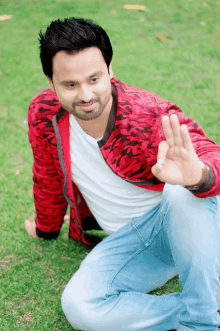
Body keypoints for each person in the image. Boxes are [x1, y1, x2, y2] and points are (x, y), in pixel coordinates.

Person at [25, 17, 220, 331]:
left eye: (94, 79)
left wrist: (199, 175)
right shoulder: (43, 114)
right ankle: (205, 300)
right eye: (70, 85)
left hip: (188, 222)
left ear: (110, 70)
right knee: (80, 307)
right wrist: (46, 229)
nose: (86, 95)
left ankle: (201, 321)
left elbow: (209, 153)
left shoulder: (147, 114)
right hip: (133, 243)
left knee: (180, 188)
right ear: (51, 82)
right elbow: (46, 174)